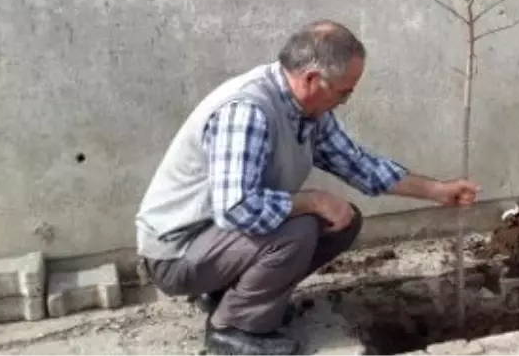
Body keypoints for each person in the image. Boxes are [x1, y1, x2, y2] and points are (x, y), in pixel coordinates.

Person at [135, 20, 480, 356]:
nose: (346, 100)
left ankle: (232, 294)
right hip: (177, 254)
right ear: (313, 79)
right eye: (344, 90)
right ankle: (232, 328)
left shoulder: (307, 111)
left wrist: (437, 190)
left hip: (216, 242)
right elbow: (237, 207)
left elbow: (359, 165)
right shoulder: (247, 111)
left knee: (342, 220)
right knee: (299, 229)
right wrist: (311, 200)